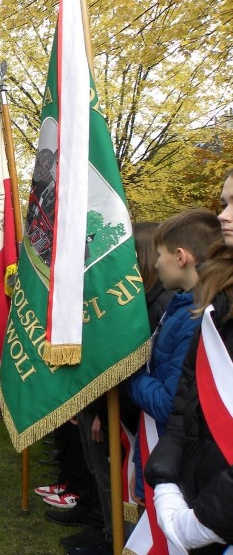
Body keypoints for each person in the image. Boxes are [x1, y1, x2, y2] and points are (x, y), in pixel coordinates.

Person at [145, 171, 233, 554]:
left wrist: (205, 521)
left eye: (232, 204)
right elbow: (185, 402)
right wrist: (166, 475)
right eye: (225, 202)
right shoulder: (216, 303)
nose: (224, 216)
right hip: (199, 482)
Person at [126, 210, 221, 505]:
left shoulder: (194, 317)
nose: (154, 263)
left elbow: (169, 404)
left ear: (181, 257)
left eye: (159, 254)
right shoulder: (182, 306)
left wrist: (129, 374)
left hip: (174, 461)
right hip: (161, 450)